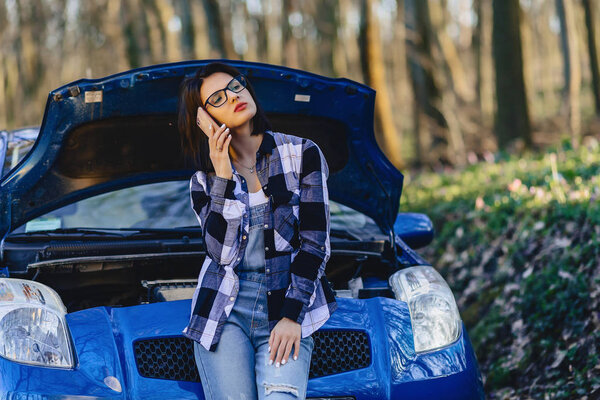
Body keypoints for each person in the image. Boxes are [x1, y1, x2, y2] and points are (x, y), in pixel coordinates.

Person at [177, 61, 338, 400]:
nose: (234, 96)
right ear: (203, 120)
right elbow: (221, 254)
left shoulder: (301, 153)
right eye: (217, 99)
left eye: (235, 86)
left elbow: (314, 245)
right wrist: (222, 172)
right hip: (224, 311)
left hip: (286, 304)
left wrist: (292, 316)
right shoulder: (204, 183)